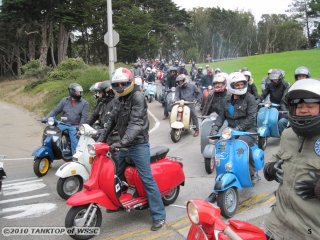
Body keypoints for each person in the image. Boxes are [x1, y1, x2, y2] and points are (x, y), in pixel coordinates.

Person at [97, 67, 166, 231]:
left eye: (123, 83)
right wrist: (100, 141)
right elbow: (111, 121)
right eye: (117, 84)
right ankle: (120, 203)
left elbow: (136, 123)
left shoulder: (138, 97)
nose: (120, 87)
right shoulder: (118, 99)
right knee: (118, 175)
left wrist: (123, 142)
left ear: (130, 82)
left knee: (146, 179)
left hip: (138, 145)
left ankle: (159, 216)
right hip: (124, 145)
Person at [263, 78, 320, 240]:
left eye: (310, 106)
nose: (303, 110)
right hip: (276, 224)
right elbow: (273, 160)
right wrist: (270, 168)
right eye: (299, 106)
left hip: (309, 232)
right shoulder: (288, 135)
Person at [210, 72, 258, 178]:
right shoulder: (226, 100)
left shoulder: (250, 98)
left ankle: (251, 172)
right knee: (221, 145)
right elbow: (221, 117)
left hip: (248, 131)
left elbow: (251, 118)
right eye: (237, 85)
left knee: (241, 143)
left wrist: (239, 128)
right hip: (231, 131)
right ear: (231, 86)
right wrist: (215, 128)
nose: (240, 87)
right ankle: (224, 170)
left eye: (242, 84)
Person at [44, 83, 89, 154]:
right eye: (78, 92)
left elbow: (84, 118)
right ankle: (49, 151)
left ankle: (75, 156)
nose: (80, 93)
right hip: (63, 124)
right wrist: (46, 118)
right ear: (72, 92)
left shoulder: (84, 103)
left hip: (74, 126)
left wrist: (80, 129)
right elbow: (55, 111)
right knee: (50, 134)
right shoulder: (64, 100)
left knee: (75, 142)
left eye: (80, 92)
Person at [258, 69, 290, 135]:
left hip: (282, 106)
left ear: (280, 78)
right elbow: (264, 94)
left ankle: (282, 135)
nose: (275, 81)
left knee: (281, 120)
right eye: (273, 79)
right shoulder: (270, 85)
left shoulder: (285, 85)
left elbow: (284, 98)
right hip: (273, 105)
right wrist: (258, 101)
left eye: (276, 79)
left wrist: (283, 106)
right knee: (267, 117)